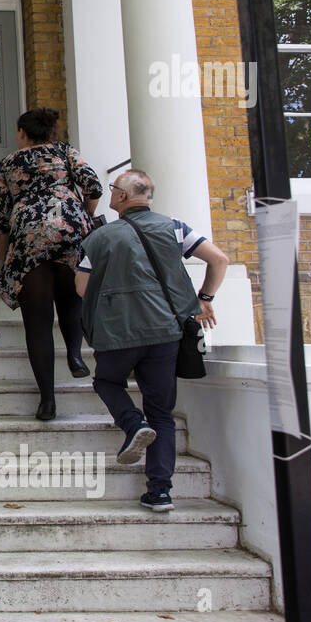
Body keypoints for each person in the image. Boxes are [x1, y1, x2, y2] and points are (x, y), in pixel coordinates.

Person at [76, 169, 231, 512]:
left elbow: (82, 288)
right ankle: (160, 492)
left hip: (118, 333)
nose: (111, 193)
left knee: (107, 381)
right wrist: (206, 297)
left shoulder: (99, 238)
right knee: (162, 411)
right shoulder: (175, 228)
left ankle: (133, 424)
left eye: (113, 189)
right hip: (165, 332)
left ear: (122, 197)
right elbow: (219, 260)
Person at [0, 108, 102, 421]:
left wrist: (4, 260)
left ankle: (48, 401)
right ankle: (75, 355)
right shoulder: (66, 152)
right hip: (70, 231)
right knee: (71, 297)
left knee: (38, 322)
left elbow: (0, 218)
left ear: (22, 133)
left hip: (30, 239)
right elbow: (94, 187)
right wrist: (84, 215)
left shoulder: (9, 163)